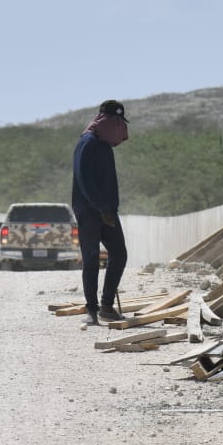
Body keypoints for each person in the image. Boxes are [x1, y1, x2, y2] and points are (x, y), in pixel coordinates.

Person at [72, 99, 130, 325]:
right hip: (89, 211)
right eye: (116, 123)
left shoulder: (104, 145)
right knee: (91, 258)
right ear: (105, 121)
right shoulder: (87, 142)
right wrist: (101, 208)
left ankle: (106, 305)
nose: (119, 128)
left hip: (106, 211)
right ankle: (91, 309)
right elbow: (84, 180)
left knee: (119, 254)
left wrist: (109, 209)